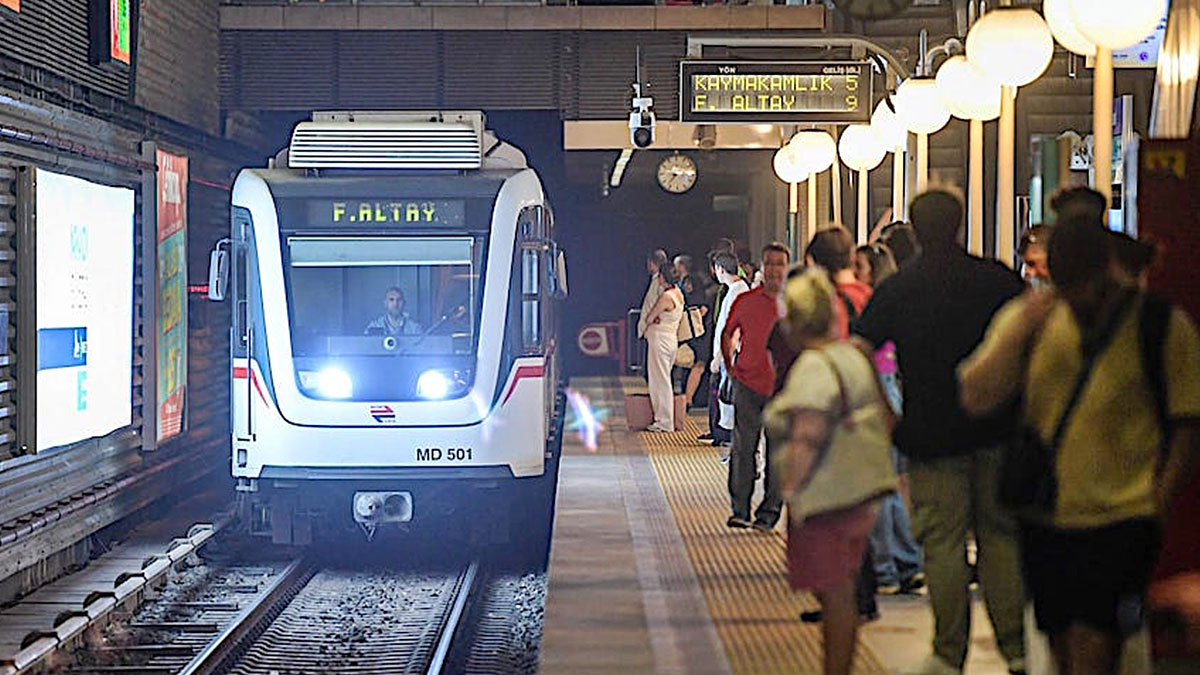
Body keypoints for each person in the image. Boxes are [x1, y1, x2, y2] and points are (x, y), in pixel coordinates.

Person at [958, 216, 1200, 675]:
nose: (1079, 297)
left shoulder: (1159, 326)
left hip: (1121, 518)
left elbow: (1189, 422)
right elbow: (976, 395)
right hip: (1045, 514)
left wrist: (1157, 503)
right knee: (1062, 643)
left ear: (1107, 267)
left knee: (1095, 642)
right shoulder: (1033, 321)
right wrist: (1024, 327)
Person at [854, 190, 1027, 675]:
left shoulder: (900, 288)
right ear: (958, 223)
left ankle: (949, 654)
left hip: (928, 435)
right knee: (1000, 541)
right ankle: (1014, 649)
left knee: (943, 545)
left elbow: (859, 348)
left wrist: (887, 414)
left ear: (916, 229)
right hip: (998, 432)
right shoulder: (996, 280)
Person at [764, 268, 897, 675]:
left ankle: (836, 669)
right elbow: (887, 418)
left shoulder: (814, 368)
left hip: (826, 495)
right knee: (842, 586)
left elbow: (808, 434)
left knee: (835, 590)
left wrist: (790, 488)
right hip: (860, 492)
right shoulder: (853, 355)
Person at [852, 241, 925, 595]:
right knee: (893, 482)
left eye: (860, 267)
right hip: (892, 386)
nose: (854, 273)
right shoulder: (898, 299)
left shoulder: (874, 300)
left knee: (880, 485)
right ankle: (907, 560)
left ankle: (886, 567)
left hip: (879, 388)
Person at [721, 242, 790, 531]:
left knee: (778, 453)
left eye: (779, 263)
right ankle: (740, 509)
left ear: (787, 268)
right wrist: (731, 368)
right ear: (761, 267)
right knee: (743, 448)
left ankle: (768, 513)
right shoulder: (747, 301)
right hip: (748, 383)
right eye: (769, 263)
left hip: (783, 389)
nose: (773, 269)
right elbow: (728, 333)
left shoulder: (795, 304)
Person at [709, 252, 749, 448]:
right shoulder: (735, 290)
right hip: (729, 356)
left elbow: (732, 329)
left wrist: (719, 357)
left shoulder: (736, 292)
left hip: (730, 356)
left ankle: (737, 445)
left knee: (731, 401)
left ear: (721, 269)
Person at [642, 257, 684, 433]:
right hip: (671, 338)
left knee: (660, 381)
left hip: (659, 339)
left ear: (663, 278)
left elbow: (650, 317)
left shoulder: (665, 296)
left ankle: (664, 421)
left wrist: (654, 318)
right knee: (664, 378)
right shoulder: (678, 294)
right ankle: (664, 418)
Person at [675, 254, 710, 410]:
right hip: (697, 335)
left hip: (695, 334)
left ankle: (687, 399)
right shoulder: (696, 290)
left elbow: (700, 310)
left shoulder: (691, 290)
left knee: (696, 365)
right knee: (696, 365)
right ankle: (687, 398)